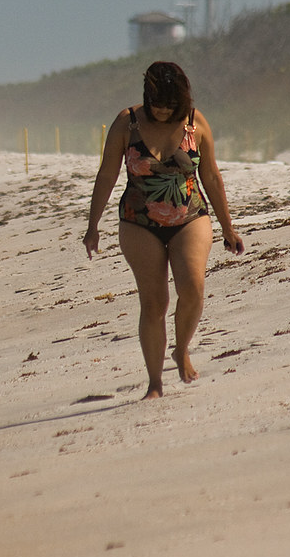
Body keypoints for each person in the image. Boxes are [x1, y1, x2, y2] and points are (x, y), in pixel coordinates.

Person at [83, 61, 243, 400]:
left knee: (194, 288)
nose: (161, 111)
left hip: (190, 217)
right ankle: (154, 383)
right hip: (139, 222)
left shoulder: (195, 123)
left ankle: (181, 348)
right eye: (156, 104)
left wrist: (228, 227)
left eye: (170, 106)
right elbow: (107, 174)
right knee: (154, 303)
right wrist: (92, 226)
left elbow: (211, 176)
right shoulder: (127, 123)